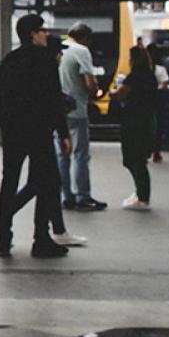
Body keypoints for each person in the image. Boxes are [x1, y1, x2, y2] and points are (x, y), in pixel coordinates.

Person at [0, 34, 87, 248]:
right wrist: (63, 133)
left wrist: (1, 125)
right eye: (41, 30)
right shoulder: (44, 62)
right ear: (33, 35)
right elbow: (52, 101)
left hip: (13, 133)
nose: (60, 56)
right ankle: (41, 238)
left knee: (9, 182)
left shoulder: (9, 60)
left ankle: (4, 238)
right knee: (47, 182)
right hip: (39, 133)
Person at [59, 22, 107, 211]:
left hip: (59, 110)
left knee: (62, 154)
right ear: (86, 38)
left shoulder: (60, 50)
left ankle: (66, 196)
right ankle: (83, 196)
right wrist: (95, 89)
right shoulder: (82, 51)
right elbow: (89, 82)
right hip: (77, 109)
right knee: (80, 154)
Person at [113, 45, 159, 211]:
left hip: (133, 122)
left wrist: (111, 93)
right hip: (146, 120)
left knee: (134, 159)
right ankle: (140, 192)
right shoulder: (150, 77)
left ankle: (143, 196)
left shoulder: (134, 78)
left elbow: (119, 95)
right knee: (139, 158)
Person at [147, 42, 169, 163]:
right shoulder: (161, 69)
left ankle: (147, 148)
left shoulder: (144, 68)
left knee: (146, 124)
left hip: (145, 101)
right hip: (157, 100)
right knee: (158, 125)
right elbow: (165, 84)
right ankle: (156, 151)